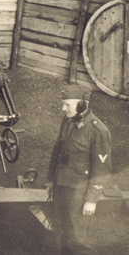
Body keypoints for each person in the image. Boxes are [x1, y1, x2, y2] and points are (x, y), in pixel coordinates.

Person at [46, 84, 112, 255]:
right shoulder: (68, 121)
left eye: (67, 104)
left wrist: (92, 199)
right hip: (62, 187)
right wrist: (51, 180)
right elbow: (58, 151)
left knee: (77, 241)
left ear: (82, 105)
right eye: (63, 104)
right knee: (62, 232)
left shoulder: (98, 131)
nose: (63, 109)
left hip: (79, 194)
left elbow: (102, 169)